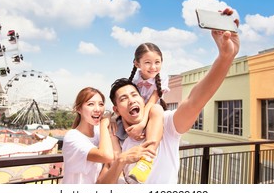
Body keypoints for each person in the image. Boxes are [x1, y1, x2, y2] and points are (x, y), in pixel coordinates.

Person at [98, 17, 240, 184]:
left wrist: (226, 57)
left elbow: (196, 99)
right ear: (116, 109)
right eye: (123, 98)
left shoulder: (166, 126)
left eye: (135, 95)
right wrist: (121, 160)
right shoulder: (118, 138)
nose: (131, 100)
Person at [114, 43, 169, 183]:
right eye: (148, 63)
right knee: (111, 125)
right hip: (133, 115)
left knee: (157, 109)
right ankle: (117, 172)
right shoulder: (132, 81)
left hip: (150, 114)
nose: (153, 67)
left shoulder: (162, 79)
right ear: (137, 63)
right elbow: (125, 107)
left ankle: (147, 160)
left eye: (157, 62)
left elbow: (151, 104)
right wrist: (129, 128)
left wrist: (142, 124)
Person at [62, 87, 114, 184]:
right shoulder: (72, 137)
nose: (98, 109)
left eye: (101, 104)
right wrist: (103, 124)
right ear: (78, 109)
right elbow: (106, 156)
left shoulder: (98, 132)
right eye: (91, 104)